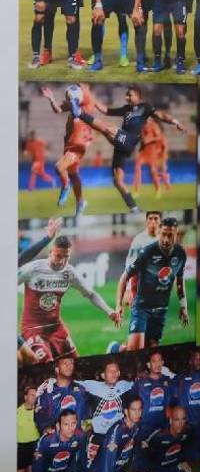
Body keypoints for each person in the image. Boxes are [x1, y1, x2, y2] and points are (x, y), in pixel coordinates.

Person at [73, 84, 187, 213]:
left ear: (137, 96)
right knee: (117, 181)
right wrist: (92, 100)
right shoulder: (126, 109)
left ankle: (79, 113)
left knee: (108, 129)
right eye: (126, 95)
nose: (126, 97)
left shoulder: (145, 107)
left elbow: (162, 116)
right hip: (121, 144)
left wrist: (176, 122)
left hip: (129, 140)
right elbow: (106, 111)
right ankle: (134, 208)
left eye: (129, 95)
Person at [17, 235, 118, 361]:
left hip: (56, 328)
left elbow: (91, 294)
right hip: (33, 329)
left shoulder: (69, 272)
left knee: (74, 366)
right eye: (58, 256)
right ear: (50, 252)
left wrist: (109, 311)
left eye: (66, 257)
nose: (62, 261)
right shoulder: (33, 269)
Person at [116, 218, 189, 350]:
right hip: (142, 308)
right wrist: (119, 305)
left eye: (170, 235)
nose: (166, 239)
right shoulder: (148, 252)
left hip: (161, 310)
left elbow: (179, 280)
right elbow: (125, 276)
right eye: (163, 234)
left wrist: (183, 306)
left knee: (152, 350)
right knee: (135, 350)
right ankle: (115, 349)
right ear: (159, 232)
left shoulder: (180, 254)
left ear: (176, 234)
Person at [39, 83, 96, 216]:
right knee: (74, 175)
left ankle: (65, 186)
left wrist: (73, 100)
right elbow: (58, 109)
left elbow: (77, 111)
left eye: (82, 85)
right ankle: (80, 202)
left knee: (59, 167)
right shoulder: (74, 101)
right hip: (69, 145)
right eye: (79, 85)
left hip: (78, 146)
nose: (80, 87)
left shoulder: (87, 103)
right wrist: (51, 98)